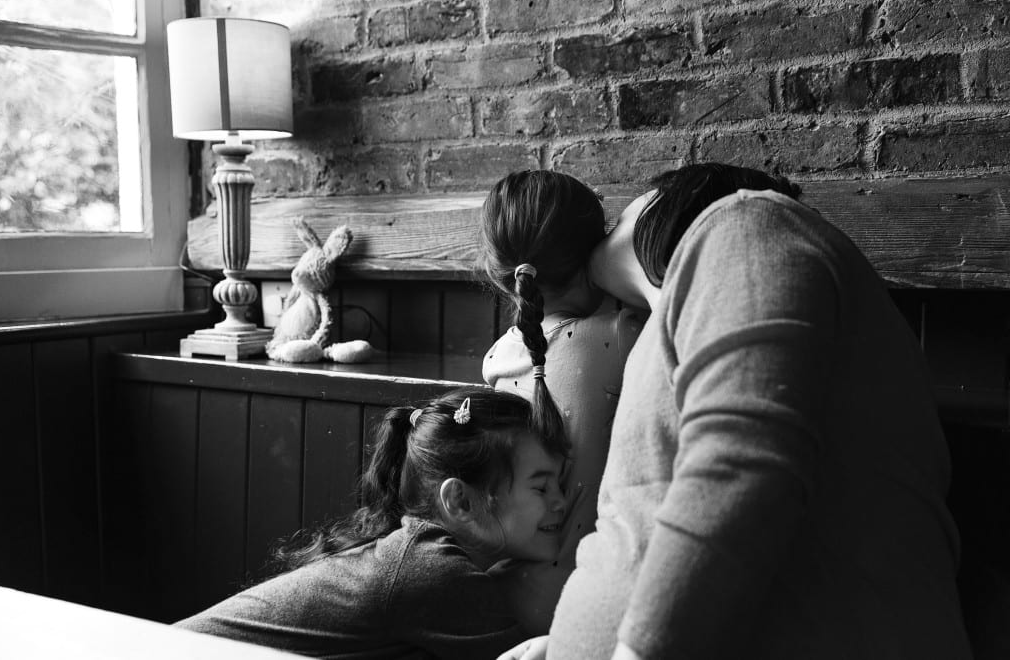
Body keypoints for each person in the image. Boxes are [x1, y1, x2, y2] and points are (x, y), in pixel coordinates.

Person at [503, 163, 973, 660]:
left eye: (621, 218)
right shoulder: (722, 300)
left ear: (673, 204)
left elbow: (739, 469)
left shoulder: (750, 225)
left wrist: (603, 264)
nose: (606, 234)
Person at [175, 387, 568, 660]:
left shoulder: (416, 555)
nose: (562, 502)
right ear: (460, 501)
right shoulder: (435, 573)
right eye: (542, 487)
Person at [479, 170, 643, 634]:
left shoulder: (497, 360)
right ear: (593, 259)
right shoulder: (622, 336)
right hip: (582, 608)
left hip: (501, 598)